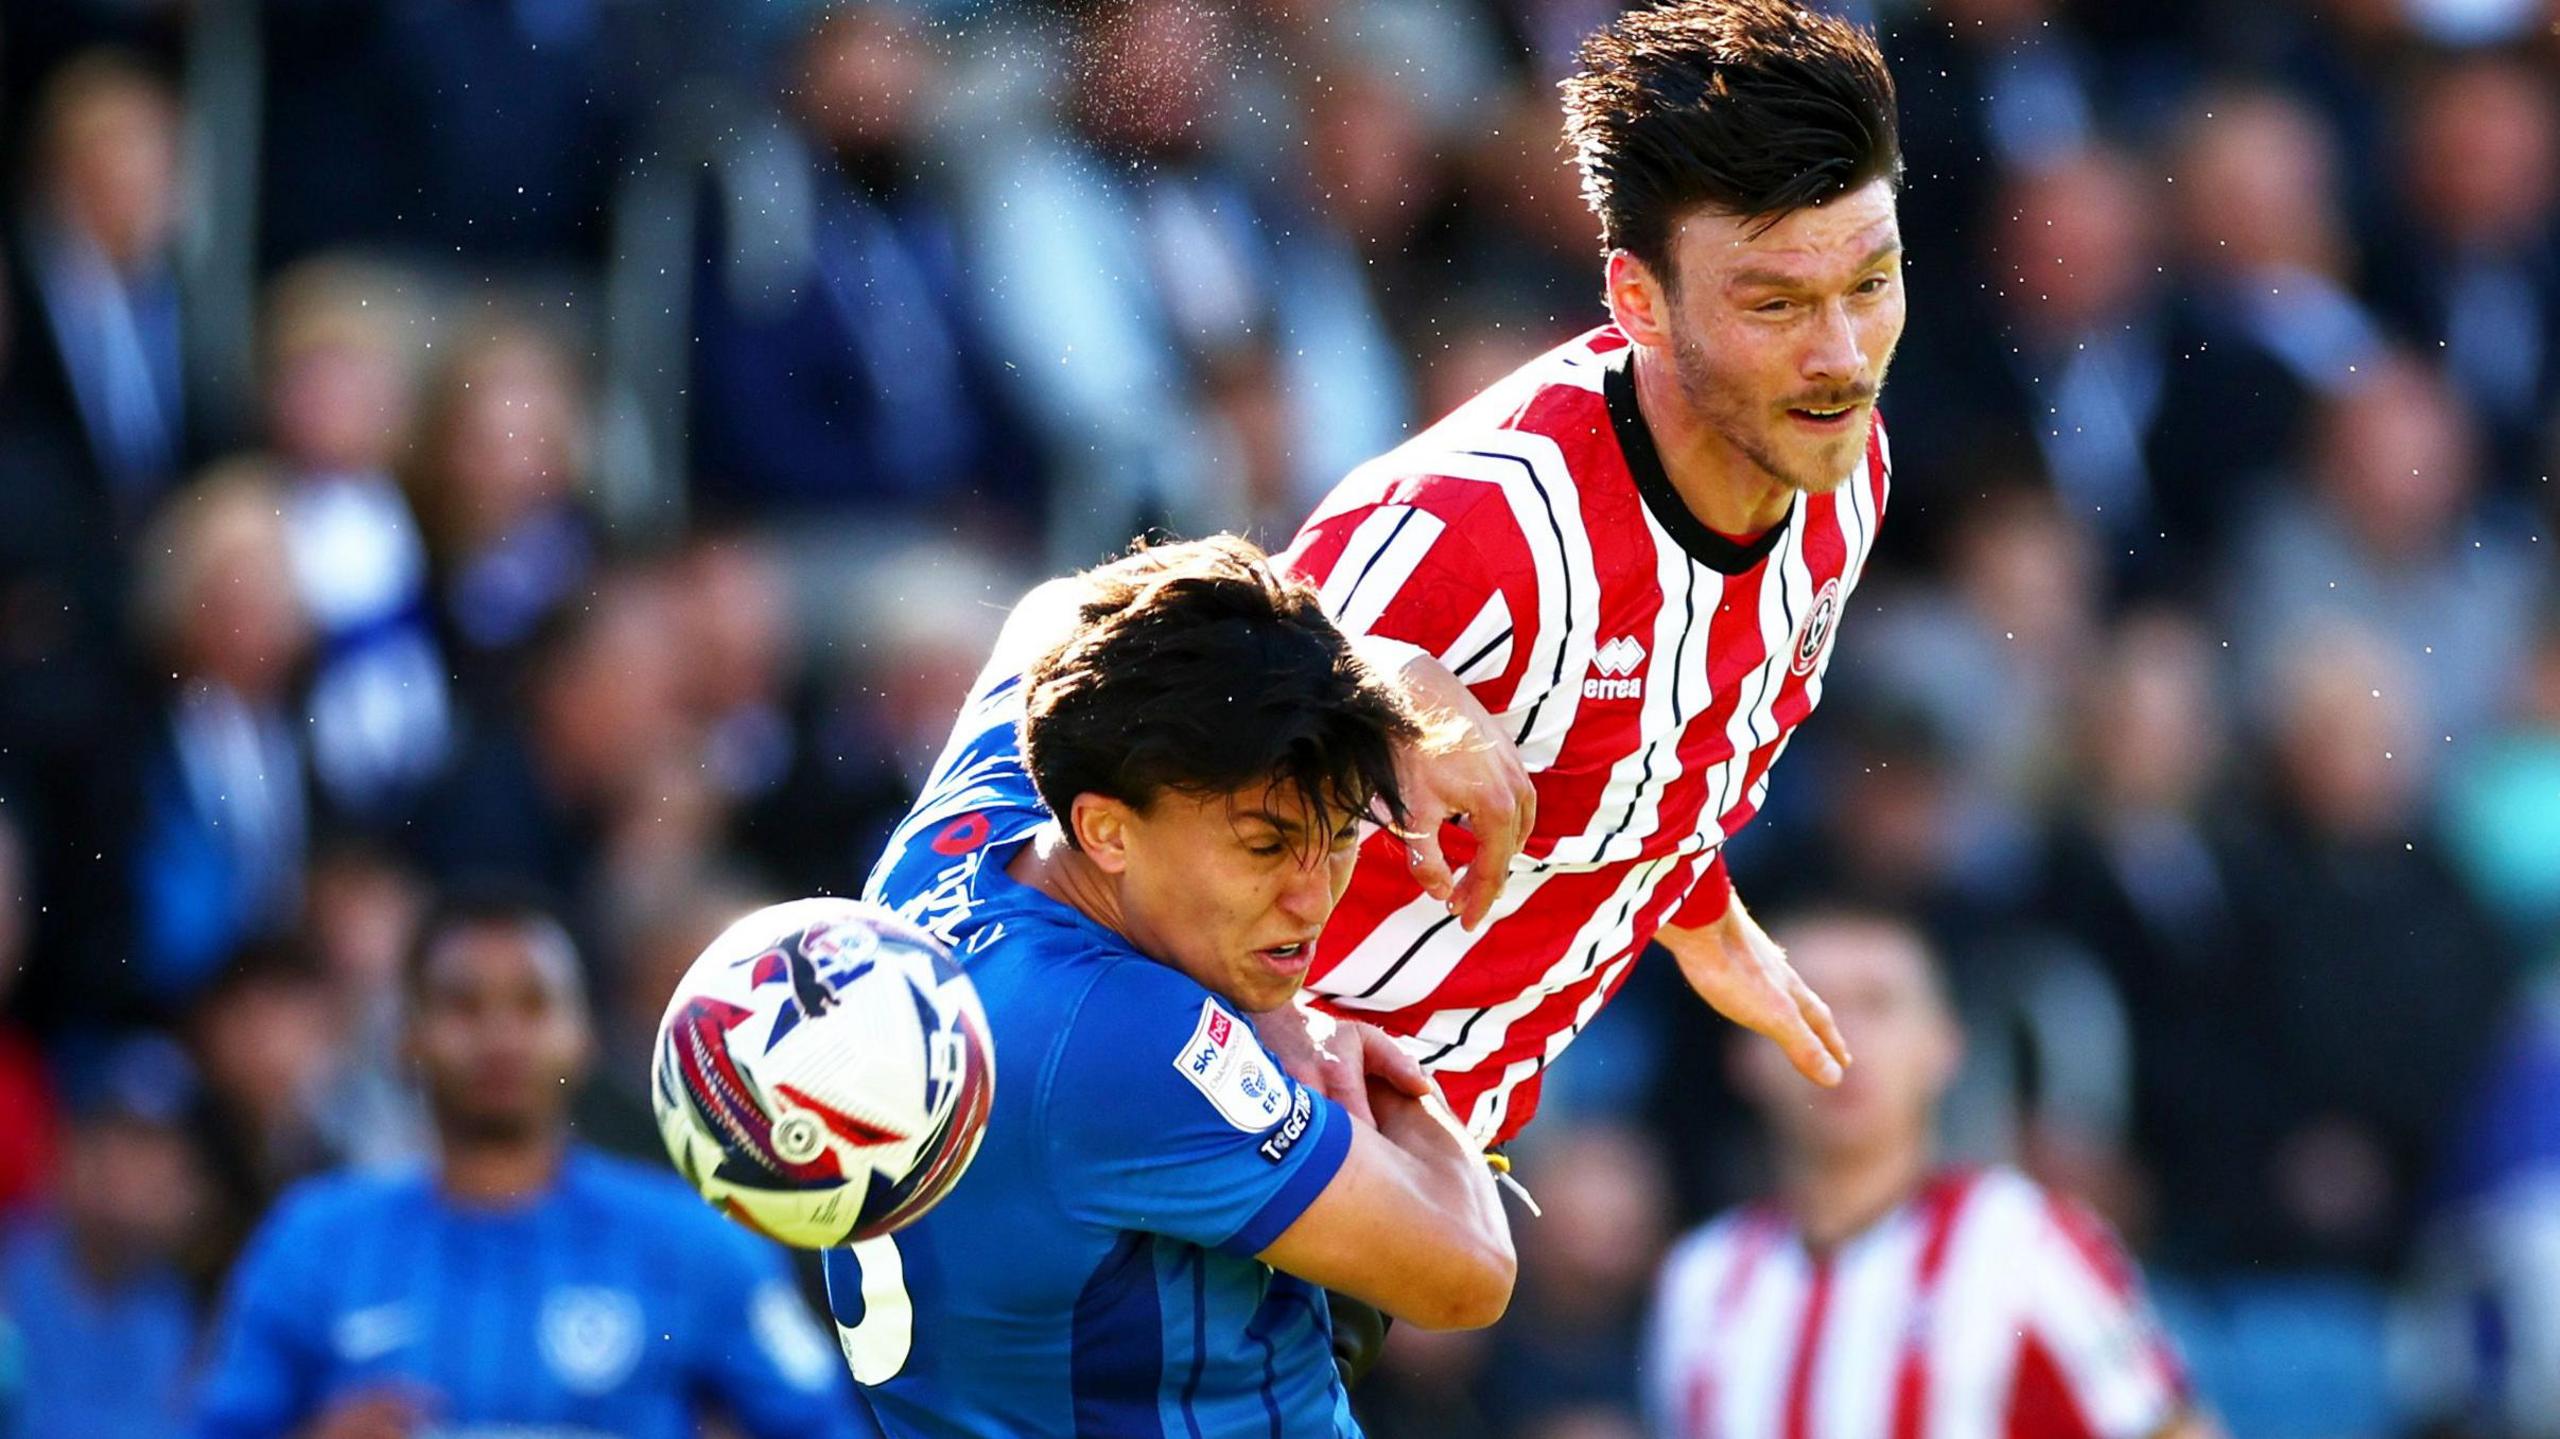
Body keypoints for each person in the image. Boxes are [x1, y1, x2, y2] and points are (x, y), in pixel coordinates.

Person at [1277, 0, 1890, 1147]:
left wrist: (1695, 907)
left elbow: (1643, 742)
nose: (1840, 357)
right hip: (1252, 1130)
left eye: (1870, 283)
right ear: (1636, 302)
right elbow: (1187, 708)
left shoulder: (1844, 470)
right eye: (1774, 303)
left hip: (1435, 1128)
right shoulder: (1484, 521)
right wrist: (1379, 678)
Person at [846, 536, 1516, 1436]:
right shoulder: (1116, 1040)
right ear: (1108, 832)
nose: (1312, 900)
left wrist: (1372, 672)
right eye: (1266, 847)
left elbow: (1059, 603)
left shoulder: (964, 834)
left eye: (1344, 832)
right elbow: (1470, 1268)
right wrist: (1395, 1094)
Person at [192, 890, 871, 1439]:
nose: (500, 1036)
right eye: (464, 1004)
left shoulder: (692, 1240)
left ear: (583, 1037)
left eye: (532, 1004)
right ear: (406, 1038)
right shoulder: (315, 1240)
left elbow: (826, 1424)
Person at [1644, 909, 2213, 1439]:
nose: (1839, 1034)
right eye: (1801, 999)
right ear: (1745, 1054)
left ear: (1943, 1045)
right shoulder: (1700, 1277)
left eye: (1878, 1003)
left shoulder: (2027, 1243)